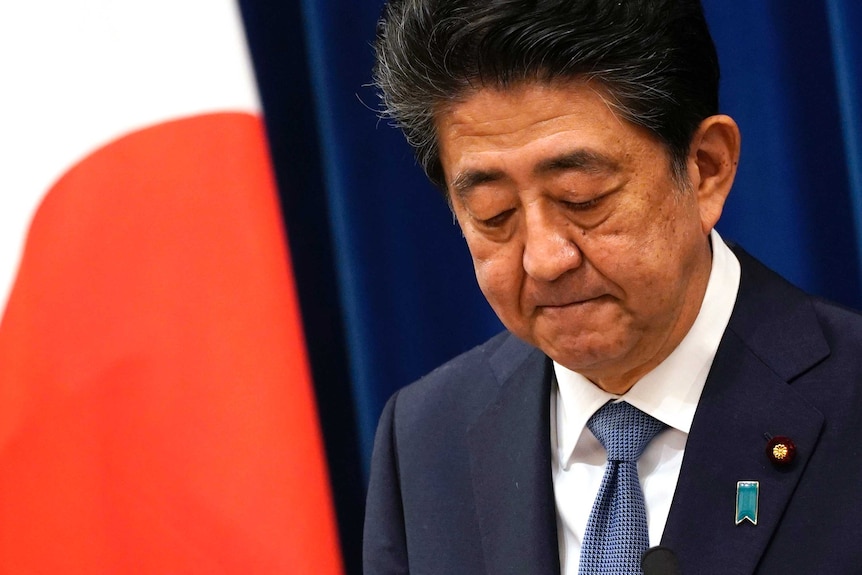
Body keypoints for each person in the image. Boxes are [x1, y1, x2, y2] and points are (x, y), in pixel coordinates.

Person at [363, 1, 862, 573]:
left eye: (584, 198)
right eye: (493, 212)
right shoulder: (426, 435)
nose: (545, 259)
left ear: (705, 167)